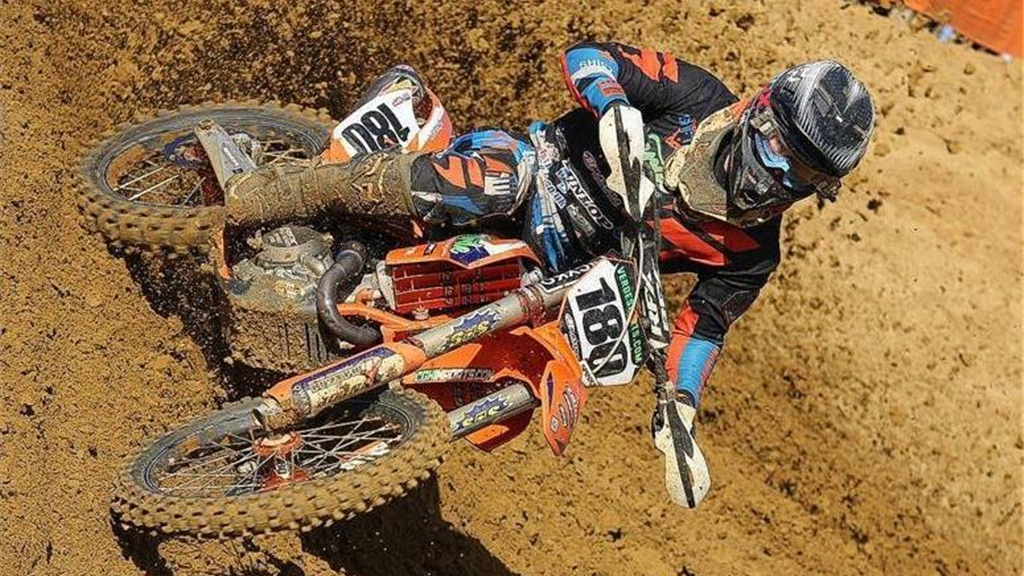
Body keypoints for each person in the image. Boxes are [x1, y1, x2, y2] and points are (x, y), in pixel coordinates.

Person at [227, 42, 875, 509]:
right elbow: (588, 56)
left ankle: (334, 452)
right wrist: (614, 108)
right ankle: (279, 192)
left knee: (551, 363)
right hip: (534, 175)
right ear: (760, 111)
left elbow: (702, 329)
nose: (779, 176)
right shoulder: (697, 98)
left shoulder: (752, 254)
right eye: (781, 149)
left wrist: (680, 408)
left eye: (803, 176)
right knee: (493, 178)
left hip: (552, 275)